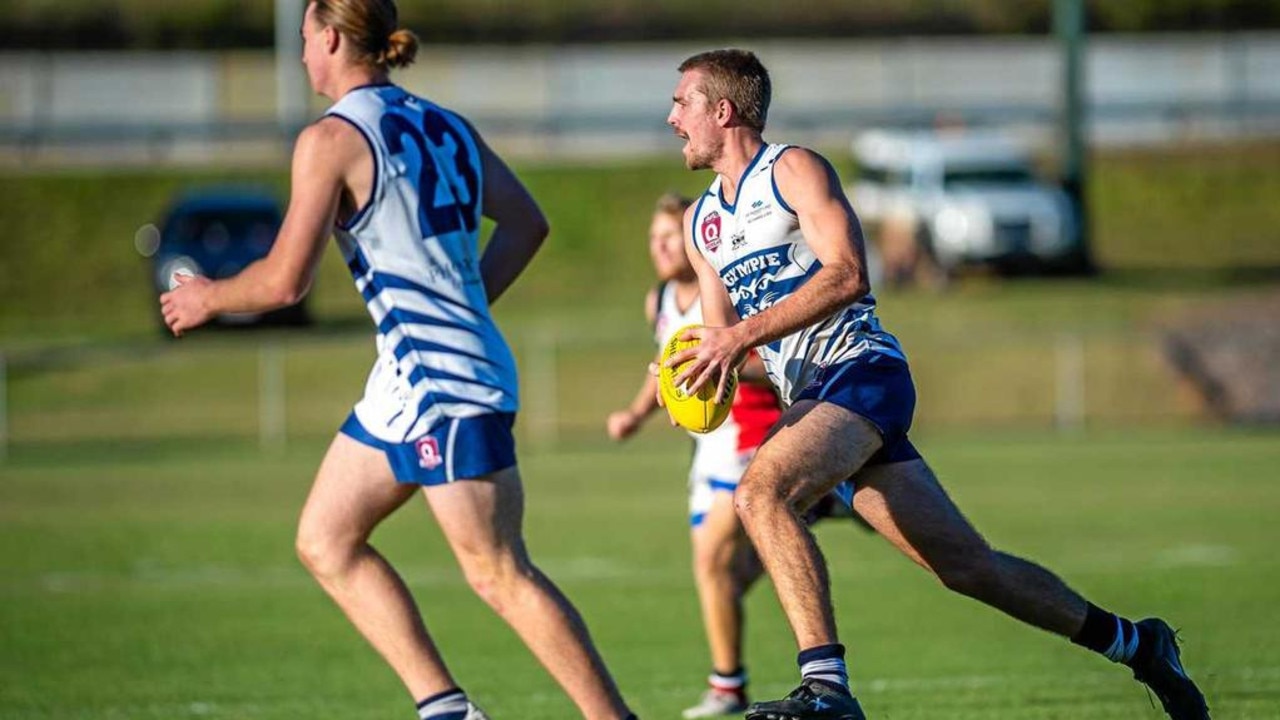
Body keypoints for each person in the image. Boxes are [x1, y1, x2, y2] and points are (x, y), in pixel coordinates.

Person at [661, 48, 1210, 720]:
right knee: (970, 568)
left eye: (682, 102)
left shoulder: (793, 170)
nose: (671, 118)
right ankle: (1138, 645)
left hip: (862, 371)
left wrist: (738, 338)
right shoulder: (700, 226)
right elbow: (725, 347)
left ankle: (827, 688)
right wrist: (694, 374)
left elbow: (847, 275)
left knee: (760, 492)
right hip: (814, 400)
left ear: (723, 109)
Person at [160, 3, 638, 719]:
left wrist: (208, 297)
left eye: (301, 42)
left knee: (498, 572)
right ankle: (446, 709)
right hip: (410, 374)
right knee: (326, 539)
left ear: (327, 38)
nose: (299, 58)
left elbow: (286, 280)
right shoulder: (444, 122)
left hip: (443, 379)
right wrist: (468, 306)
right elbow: (527, 221)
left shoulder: (330, 139)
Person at [606, 192, 783, 718]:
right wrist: (638, 413)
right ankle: (815, 506)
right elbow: (662, 368)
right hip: (707, 451)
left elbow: (768, 361)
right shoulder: (658, 300)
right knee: (723, 573)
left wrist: (719, 362)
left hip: (753, 436)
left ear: (694, 242)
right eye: (653, 239)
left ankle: (728, 685)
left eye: (670, 237)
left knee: (709, 561)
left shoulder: (727, 295)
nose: (660, 247)